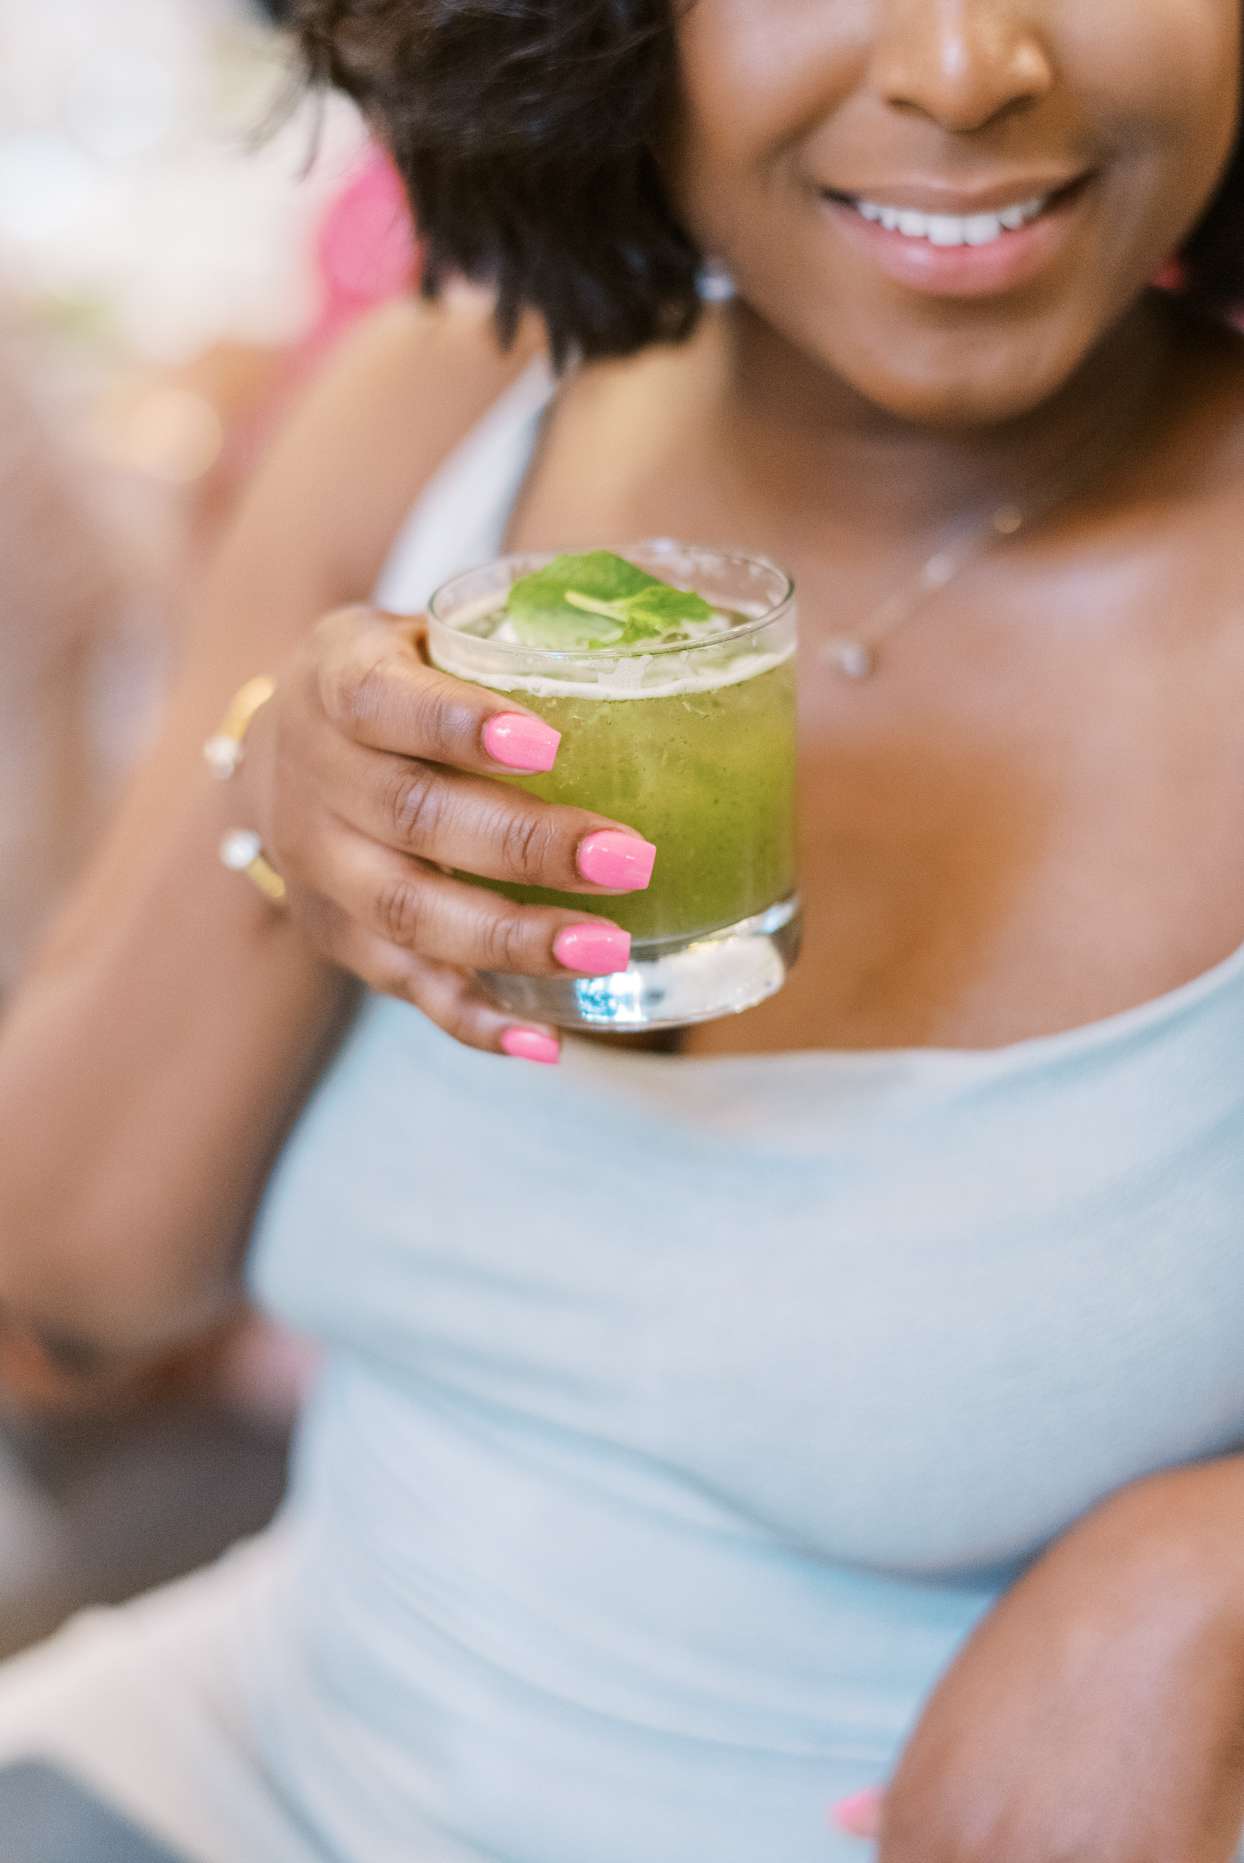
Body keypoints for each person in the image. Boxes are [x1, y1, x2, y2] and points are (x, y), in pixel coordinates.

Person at [0, 2, 1243, 1858]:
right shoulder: (445, 411)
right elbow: (67, 1296)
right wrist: (270, 808)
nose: (971, 62)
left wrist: (1209, 1564)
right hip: (221, 1775)